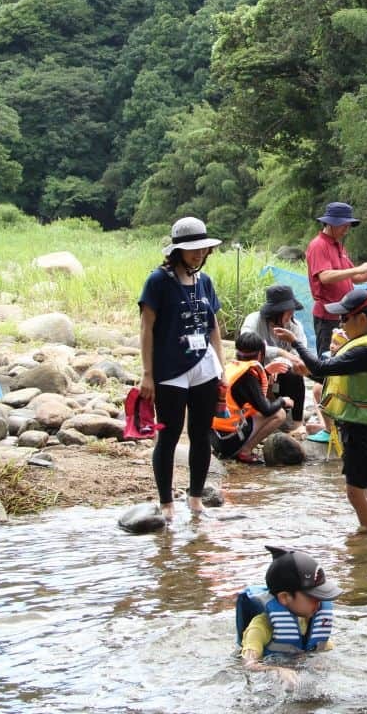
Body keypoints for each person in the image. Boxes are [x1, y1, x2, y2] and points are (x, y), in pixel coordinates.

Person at [274, 289, 367, 530]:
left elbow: (321, 364)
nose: (340, 323)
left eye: (345, 318)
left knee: (355, 493)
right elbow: (327, 371)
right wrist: (308, 372)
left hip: (362, 432)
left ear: (362, 319)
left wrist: (296, 342)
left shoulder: (365, 349)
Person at [138, 217, 224, 521]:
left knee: (201, 434)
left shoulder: (205, 282)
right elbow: (147, 327)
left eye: (202, 249)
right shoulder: (158, 281)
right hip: (170, 368)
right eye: (191, 249)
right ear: (177, 251)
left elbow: (213, 326)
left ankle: (196, 499)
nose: (198, 254)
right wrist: (147, 374)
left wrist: (221, 368)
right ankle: (166, 503)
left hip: (204, 367)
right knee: (170, 434)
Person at [236, 545, 341, 688]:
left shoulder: (311, 622)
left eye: (322, 596)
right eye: (313, 597)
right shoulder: (260, 627)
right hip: (268, 688)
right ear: (285, 597)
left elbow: (328, 651)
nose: (320, 602)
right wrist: (277, 671)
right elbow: (248, 664)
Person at [305, 201, 367, 358]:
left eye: (348, 225)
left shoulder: (339, 246)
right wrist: (358, 268)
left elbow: (355, 278)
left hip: (347, 315)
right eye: (343, 225)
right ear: (330, 224)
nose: (346, 230)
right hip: (327, 316)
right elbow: (325, 277)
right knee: (328, 360)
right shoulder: (318, 245)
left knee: (346, 358)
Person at [211, 333, 293, 464]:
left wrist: (266, 372)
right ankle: (245, 451)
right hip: (228, 442)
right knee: (280, 413)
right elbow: (266, 410)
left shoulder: (231, 367)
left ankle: (238, 448)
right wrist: (283, 400)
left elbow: (245, 392)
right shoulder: (248, 377)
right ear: (260, 354)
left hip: (215, 438)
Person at [241, 285, 307, 435]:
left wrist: (282, 363)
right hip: (257, 369)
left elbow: (299, 352)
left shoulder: (295, 326)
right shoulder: (254, 320)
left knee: (296, 374)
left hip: (281, 373)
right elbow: (245, 343)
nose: (291, 314)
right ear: (276, 312)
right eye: (287, 311)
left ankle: (297, 424)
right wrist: (279, 353)